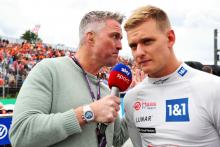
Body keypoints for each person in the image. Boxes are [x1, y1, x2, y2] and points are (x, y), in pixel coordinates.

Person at [9, 11, 129, 147]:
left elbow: (117, 140)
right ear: (91, 38)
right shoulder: (49, 70)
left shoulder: (106, 89)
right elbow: (21, 134)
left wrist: (135, 101)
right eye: (115, 37)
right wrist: (89, 113)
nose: (120, 46)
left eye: (120, 39)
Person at [123, 5, 220, 147]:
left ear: (170, 38)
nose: (139, 52)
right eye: (133, 46)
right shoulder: (131, 99)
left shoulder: (214, 88)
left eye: (147, 41)